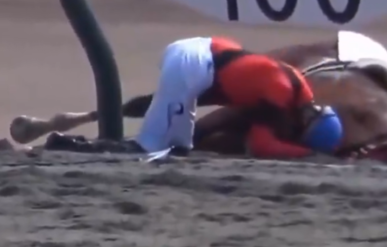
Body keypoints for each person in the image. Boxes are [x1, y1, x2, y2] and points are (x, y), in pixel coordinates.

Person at [135, 36, 343, 160]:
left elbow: (223, 118)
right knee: (161, 147)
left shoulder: (297, 89)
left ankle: (107, 117)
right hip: (193, 60)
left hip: (202, 53)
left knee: (171, 126)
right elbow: (261, 145)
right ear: (305, 122)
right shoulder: (280, 93)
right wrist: (308, 153)